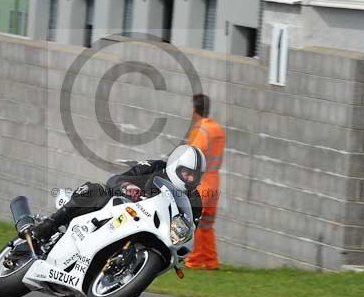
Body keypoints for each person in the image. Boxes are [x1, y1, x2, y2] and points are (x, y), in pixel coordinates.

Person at [30, 144, 206, 242]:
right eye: (187, 173)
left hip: (150, 230)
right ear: (176, 166)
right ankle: (50, 223)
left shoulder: (194, 200)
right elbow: (116, 180)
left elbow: (189, 229)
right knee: (97, 190)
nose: (190, 179)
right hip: (121, 210)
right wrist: (128, 186)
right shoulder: (155, 167)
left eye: (194, 176)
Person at [184, 94, 225, 270]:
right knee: (207, 224)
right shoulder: (217, 129)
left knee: (193, 222)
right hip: (215, 181)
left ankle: (193, 261)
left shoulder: (201, 130)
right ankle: (210, 261)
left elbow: (195, 156)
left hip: (202, 182)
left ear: (194, 110)